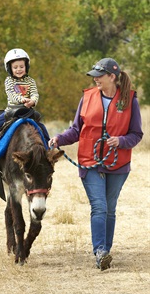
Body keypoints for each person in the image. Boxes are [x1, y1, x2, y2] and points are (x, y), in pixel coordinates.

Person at [48, 58, 143, 271]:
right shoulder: (87, 97)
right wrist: (59, 139)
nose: (95, 79)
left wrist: (121, 141)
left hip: (118, 164)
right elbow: (75, 129)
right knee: (99, 206)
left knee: (110, 209)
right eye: (94, 76)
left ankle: (105, 253)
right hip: (90, 162)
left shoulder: (130, 100)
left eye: (100, 76)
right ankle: (100, 251)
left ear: (112, 76)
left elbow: (137, 134)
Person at [0, 48, 49, 155]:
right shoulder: (9, 81)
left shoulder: (31, 81)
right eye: (15, 67)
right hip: (12, 110)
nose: (19, 69)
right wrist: (22, 99)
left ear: (26, 67)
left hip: (28, 111)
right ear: (9, 69)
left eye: (21, 67)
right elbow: (11, 94)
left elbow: (34, 93)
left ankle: (49, 146)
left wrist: (33, 101)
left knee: (41, 126)